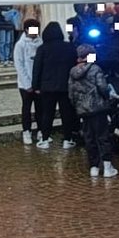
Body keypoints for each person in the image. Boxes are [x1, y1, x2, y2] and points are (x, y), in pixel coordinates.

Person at [68, 44, 117, 178]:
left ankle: (93, 167)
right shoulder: (96, 69)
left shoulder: (73, 71)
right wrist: (108, 98)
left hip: (83, 110)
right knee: (103, 137)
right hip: (98, 108)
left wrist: (77, 106)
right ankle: (107, 167)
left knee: (89, 139)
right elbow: (103, 88)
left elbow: (71, 93)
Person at [32, 22, 80, 150]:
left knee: (47, 114)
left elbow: (37, 68)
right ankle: (67, 139)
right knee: (66, 114)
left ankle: (45, 139)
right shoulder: (70, 47)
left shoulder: (42, 48)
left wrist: (35, 86)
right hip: (65, 86)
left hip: (47, 86)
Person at [14, 19, 42, 144]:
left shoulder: (40, 42)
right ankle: (27, 131)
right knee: (26, 108)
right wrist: (27, 84)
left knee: (40, 108)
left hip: (38, 82)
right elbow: (19, 65)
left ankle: (41, 130)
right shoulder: (20, 45)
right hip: (25, 83)